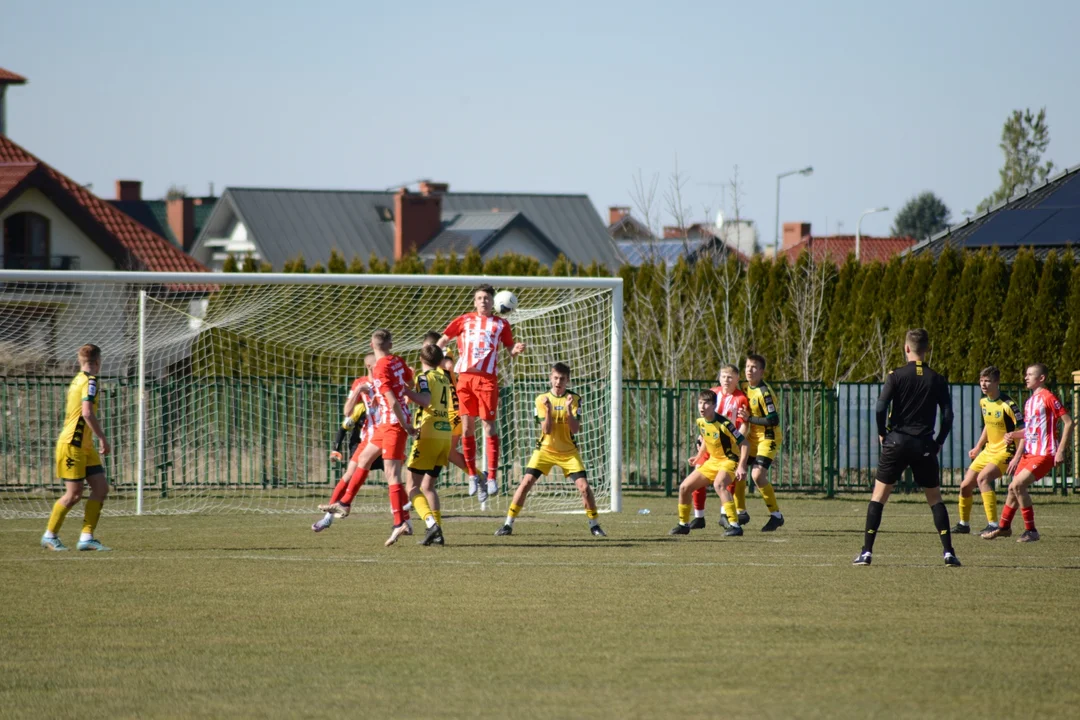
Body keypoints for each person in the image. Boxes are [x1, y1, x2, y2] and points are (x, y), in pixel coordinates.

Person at [853, 329, 960, 567]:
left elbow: (880, 408)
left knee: (879, 497)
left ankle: (867, 552)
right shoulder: (937, 378)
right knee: (934, 498)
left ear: (906, 348)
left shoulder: (896, 375)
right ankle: (948, 553)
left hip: (897, 442)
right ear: (927, 349)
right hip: (924, 444)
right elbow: (948, 415)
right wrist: (939, 440)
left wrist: (883, 432)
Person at [330, 329, 427, 547]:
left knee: (392, 475)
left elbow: (392, 401)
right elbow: (409, 386)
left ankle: (399, 523)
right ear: (391, 344)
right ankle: (344, 503)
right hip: (385, 424)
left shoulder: (381, 367)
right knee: (363, 460)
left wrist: (407, 426)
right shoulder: (398, 361)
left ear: (371, 345)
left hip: (394, 424)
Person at [438, 284, 526, 505]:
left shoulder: (501, 324)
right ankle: (472, 476)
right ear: (474, 301)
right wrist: (435, 354)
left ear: (493, 301)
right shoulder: (463, 320)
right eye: (479, 298)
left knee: (489, 426)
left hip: (487, 379)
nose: (483, 301)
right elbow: (443, 339)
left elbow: (509, 349)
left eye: (487, 298)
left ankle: (492, 476)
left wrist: (515, 350)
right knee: (467, 428)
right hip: (465, 378)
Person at [494, 363, 606, 537]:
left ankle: (594, 525)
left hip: (568, 452)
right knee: (525, 483)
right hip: (545, 450)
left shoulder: (574, 399)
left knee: (584, 488)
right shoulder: (541, 399)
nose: (558, 382)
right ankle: (508, 524)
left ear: (568, 380)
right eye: (555, 378)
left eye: (562, 378)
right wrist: (548, 410)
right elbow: (546, 430)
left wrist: (568, 408)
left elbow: (575, 429)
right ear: (550, 378)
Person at [982, 363, 1073, 543]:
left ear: (1041, 378)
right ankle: (1004, 527)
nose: (1026, 377)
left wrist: (1061, 450)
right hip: (1029, 453)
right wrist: (1013, 436)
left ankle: (1031, 530)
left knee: (1017, 486)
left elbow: (1068, 422)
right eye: (1026, 374)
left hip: (1045, 453)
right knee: (1011, 489)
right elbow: (1031, 431)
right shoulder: (1030, 401)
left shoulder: (1048, 397)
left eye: (1030, 374)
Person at [42, 344, 112, 552]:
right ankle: (49, 535)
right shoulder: (90, 382)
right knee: (73, 494)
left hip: (85, 446)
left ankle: (87, 537)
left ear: (80, 361)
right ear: (98, 362)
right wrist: (103, 438)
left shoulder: (77, 379)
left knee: (100, 488)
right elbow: (87, 413)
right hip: (73, 444)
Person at [311, 355, 385, 533]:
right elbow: (347, 412)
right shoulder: (359, 383)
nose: (382, 366)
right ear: (369, 366)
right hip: (367, 438)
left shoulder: (385, 380)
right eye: (377, 364)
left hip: (385, 436)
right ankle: (328, 517)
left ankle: (407, 518)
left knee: (394, 478)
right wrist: (360, 391)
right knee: (348, 475)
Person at [952, 366, 1021, 535]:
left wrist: (1017, 457)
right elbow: (988, 427)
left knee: (983, 479)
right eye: (981, 380)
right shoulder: (983, 401)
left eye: (988, 381)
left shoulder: (1008, 404)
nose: (983, 384)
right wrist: (978, 446)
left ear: (997, 382)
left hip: (1006, 452)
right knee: (965, 486)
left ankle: (993, 524)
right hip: (988, 451)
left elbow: (1024, 432)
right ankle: (963, 524)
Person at [670, 389, 749, 537]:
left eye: (706, 403)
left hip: (729, 460)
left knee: (719, 484)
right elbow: (706, 439)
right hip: (712, 462)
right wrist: (699, 456)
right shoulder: (701, 422)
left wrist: (742, 466)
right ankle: (683, 524)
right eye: (700, 403)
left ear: (714, 406)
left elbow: (745, 444)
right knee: (684, 487)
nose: (702, 406)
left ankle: (735, 525)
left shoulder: (724, 424)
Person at [688, 364, 749, 529]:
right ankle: (699, 517)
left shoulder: (741, 398)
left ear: (737, 379)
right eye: (723, 376)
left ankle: (725, 515)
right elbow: (706, 420)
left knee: (726, 483)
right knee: (697, 478)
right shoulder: (713, 393)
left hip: (728, 448)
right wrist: (702, 436)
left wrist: (738, 441)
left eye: (730, 377)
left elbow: (744, 423)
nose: (726, 380)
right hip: (710, 445)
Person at [405, 343, 453, 546]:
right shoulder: (444, 377)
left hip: (429, 434)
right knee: (428, 486)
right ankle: (438, 533)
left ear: (421, 359)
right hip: (444, 434)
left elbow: (424, 399)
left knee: (412, 487)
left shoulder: (424, 378)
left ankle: (431, 524)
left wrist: (404, 390)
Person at [734, 354, 786, 531]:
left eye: (754, 367)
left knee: (756, 476)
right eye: (747, 366)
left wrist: (750, 419)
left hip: (768, 437)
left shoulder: (764, 392)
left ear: (762, 372)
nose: (749, 370)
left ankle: (776, 516)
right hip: (752, 438)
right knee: (738, 470)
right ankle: (741, 512)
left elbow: (774, 420)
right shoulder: (743, 387)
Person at [422, 331, 467, 476]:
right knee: (446, 452)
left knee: (446, 451)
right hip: (443, 413)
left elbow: (448, 364)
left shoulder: (443, 352)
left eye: (425, 347)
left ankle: (477, 476)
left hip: (453, 411)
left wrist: (446, 364)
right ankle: (477, 476)